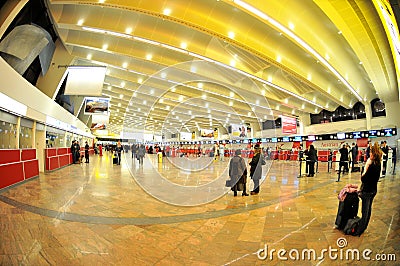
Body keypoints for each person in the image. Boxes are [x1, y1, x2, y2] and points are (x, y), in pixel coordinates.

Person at [355, 142, 382, 236]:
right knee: (368, 209)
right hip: (373, 190)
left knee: (365, 211)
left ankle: (360, 230)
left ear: (374, 154)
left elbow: (363, 178)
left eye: (371, 153)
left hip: (367, 191)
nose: (369, 154)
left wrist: (365, 168)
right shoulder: (378, 164)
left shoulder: (372, 166)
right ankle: (364, 226)